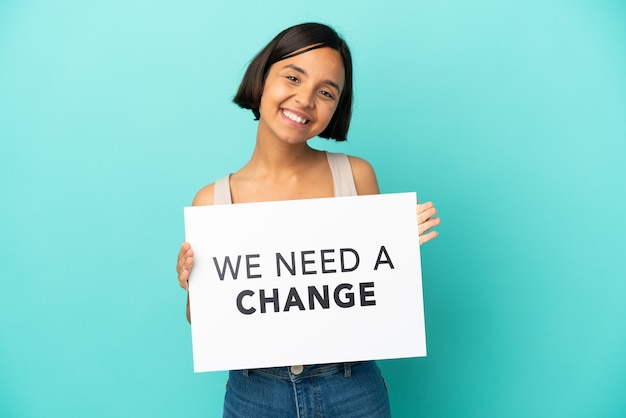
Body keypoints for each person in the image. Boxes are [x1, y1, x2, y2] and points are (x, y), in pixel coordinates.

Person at [175, 22, 440, 418]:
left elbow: (375, 297)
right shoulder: (213, 201)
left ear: (337, 107)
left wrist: (393, 250)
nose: (304, 100)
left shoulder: (356, 176)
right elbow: (207, 323)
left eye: (326, 92)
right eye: (293, 77)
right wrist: (192, 285)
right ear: (263, 77)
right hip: (255, 393)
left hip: (353, 388)